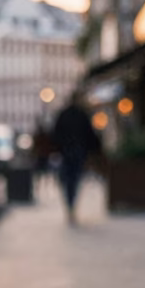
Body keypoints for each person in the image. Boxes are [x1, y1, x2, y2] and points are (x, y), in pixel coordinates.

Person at [52, 95, 101, 224]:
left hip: (66, 151)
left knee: (68, 179)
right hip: (78, 151)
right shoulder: (82, 114)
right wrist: (94, 150)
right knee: (74, 178)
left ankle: (70, 203)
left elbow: (55, 133)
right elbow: (90, 134)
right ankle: (71, 203)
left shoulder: (64, 114)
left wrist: (58, 148)